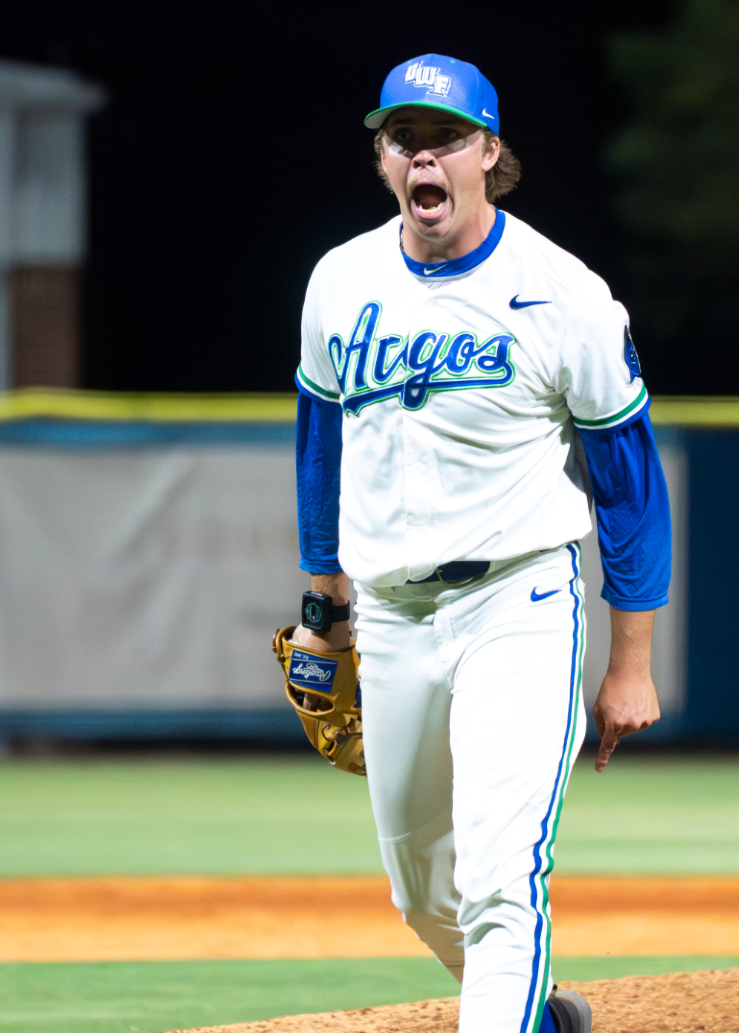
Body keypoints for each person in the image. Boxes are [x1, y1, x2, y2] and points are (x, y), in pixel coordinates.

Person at [290, 53, 670, 1033]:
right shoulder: (340, 282)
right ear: (383, 161)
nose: (423, 157)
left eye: (445, 138)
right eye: (402, 139)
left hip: (520, 603)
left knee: (504, 875)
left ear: (489, 153)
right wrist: (325, 614)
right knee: (421, 890)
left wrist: (631, 662)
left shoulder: (561, 292)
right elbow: (321, 454)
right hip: (392, 612)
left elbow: (628, 482)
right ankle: (538, 1019)